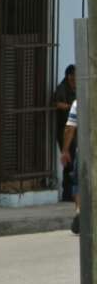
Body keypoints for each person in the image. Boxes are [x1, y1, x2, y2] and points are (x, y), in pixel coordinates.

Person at [55, 65, 78, 202]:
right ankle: (67, 194)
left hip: (75, 131)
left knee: (74, 160)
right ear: (70, 76)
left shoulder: (76, 89)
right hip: (65, 131)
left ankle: (71, 194)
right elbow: (56, 103)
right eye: (76, 75)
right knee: (69, 161)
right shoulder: (62, 88)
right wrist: (70, 108)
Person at [62, 98, 81, 235]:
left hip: (86, 150)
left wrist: (65, 150)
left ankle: (80, 210)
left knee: (79, 182)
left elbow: (70, 128)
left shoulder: (78, 102)